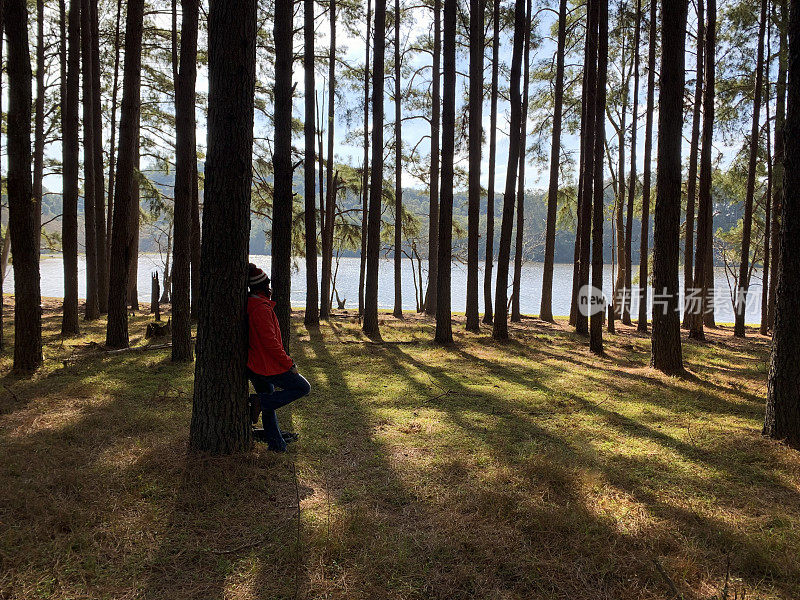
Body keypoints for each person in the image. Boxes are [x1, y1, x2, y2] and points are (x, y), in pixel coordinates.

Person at [246, 263, 311, 451]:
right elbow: (271, 344)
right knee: (302, 387)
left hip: (256, 364)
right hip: (265, 366)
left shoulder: (254, 304)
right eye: (268, 285)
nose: (270, 288)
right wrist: (289, 363)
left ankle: (276, 444)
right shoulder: (261, 309)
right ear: (263, 287)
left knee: (269, 401)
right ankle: (259, 402)